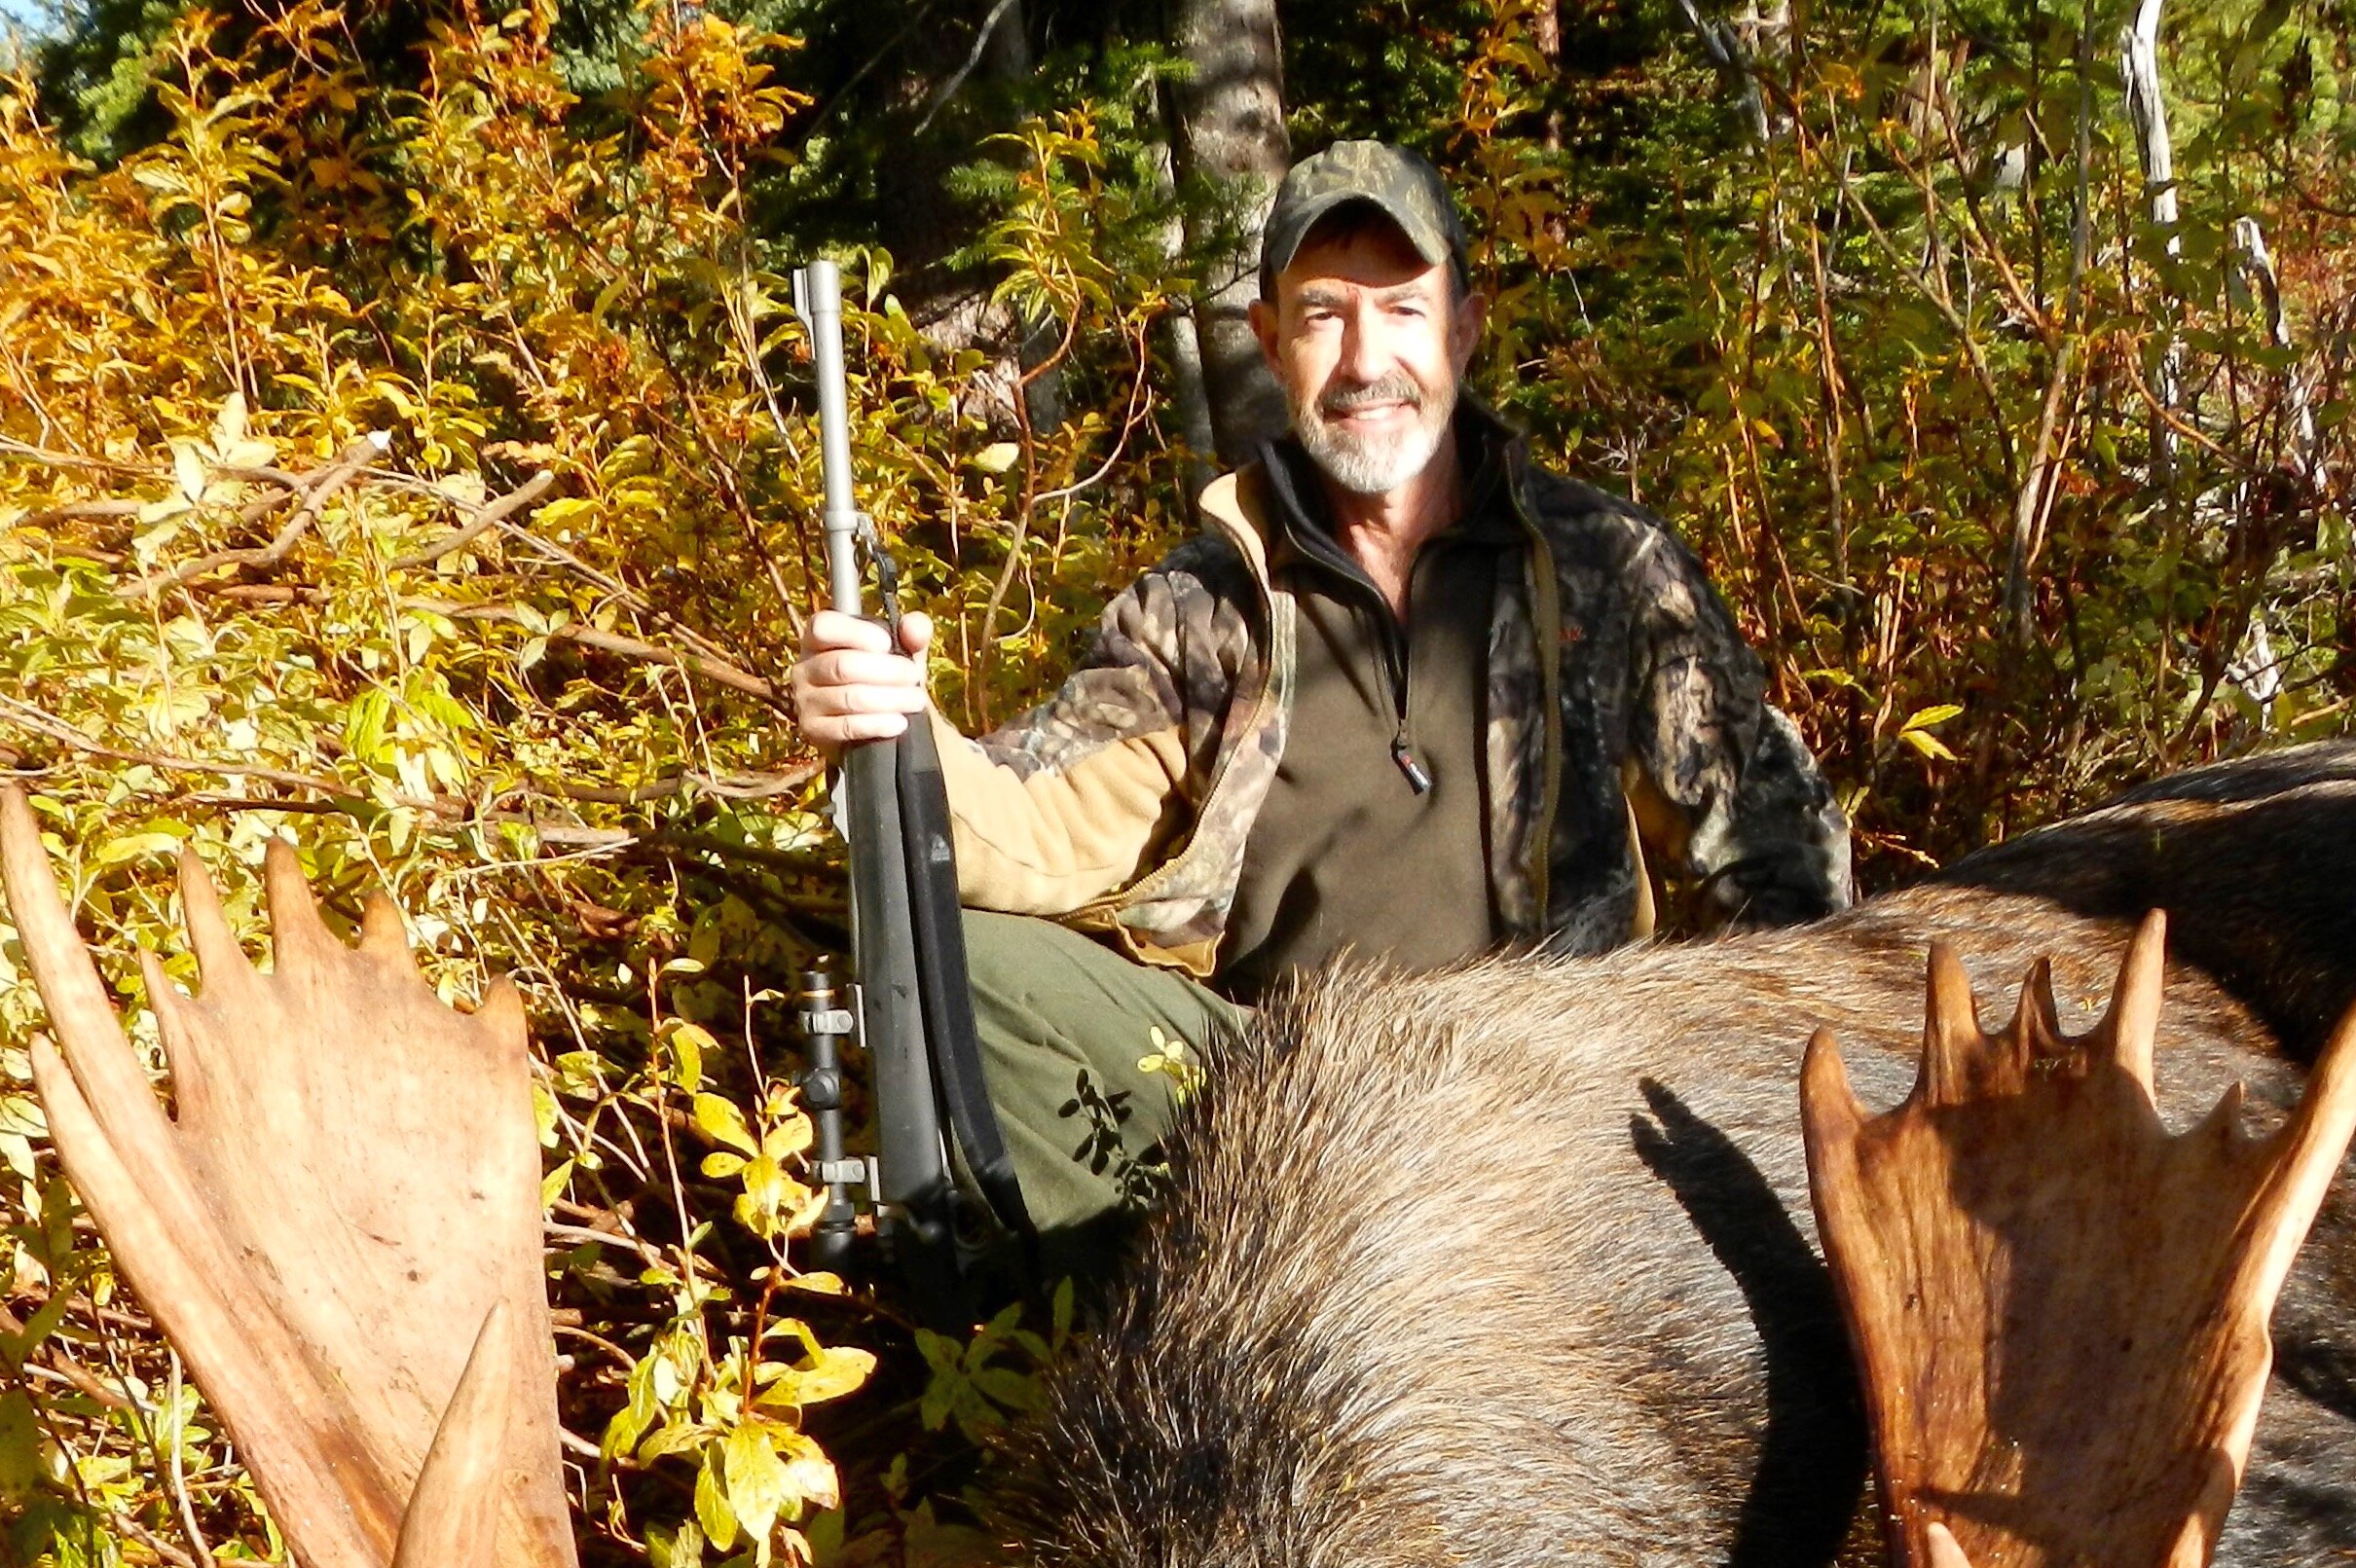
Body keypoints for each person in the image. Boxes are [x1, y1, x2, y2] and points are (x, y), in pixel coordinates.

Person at [787, 139, 1850, 1261]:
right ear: (1268, 342)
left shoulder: (1601, 567)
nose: (1363, 359)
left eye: (1400, 310)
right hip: (1274, 1111)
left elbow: (1778, 862)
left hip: (1548, 1102)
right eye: (1322, 315)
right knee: (960, 956)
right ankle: (1181, 1322)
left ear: (1464, 329)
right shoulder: (1204, 606)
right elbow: (1034, 821)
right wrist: (891, 726)